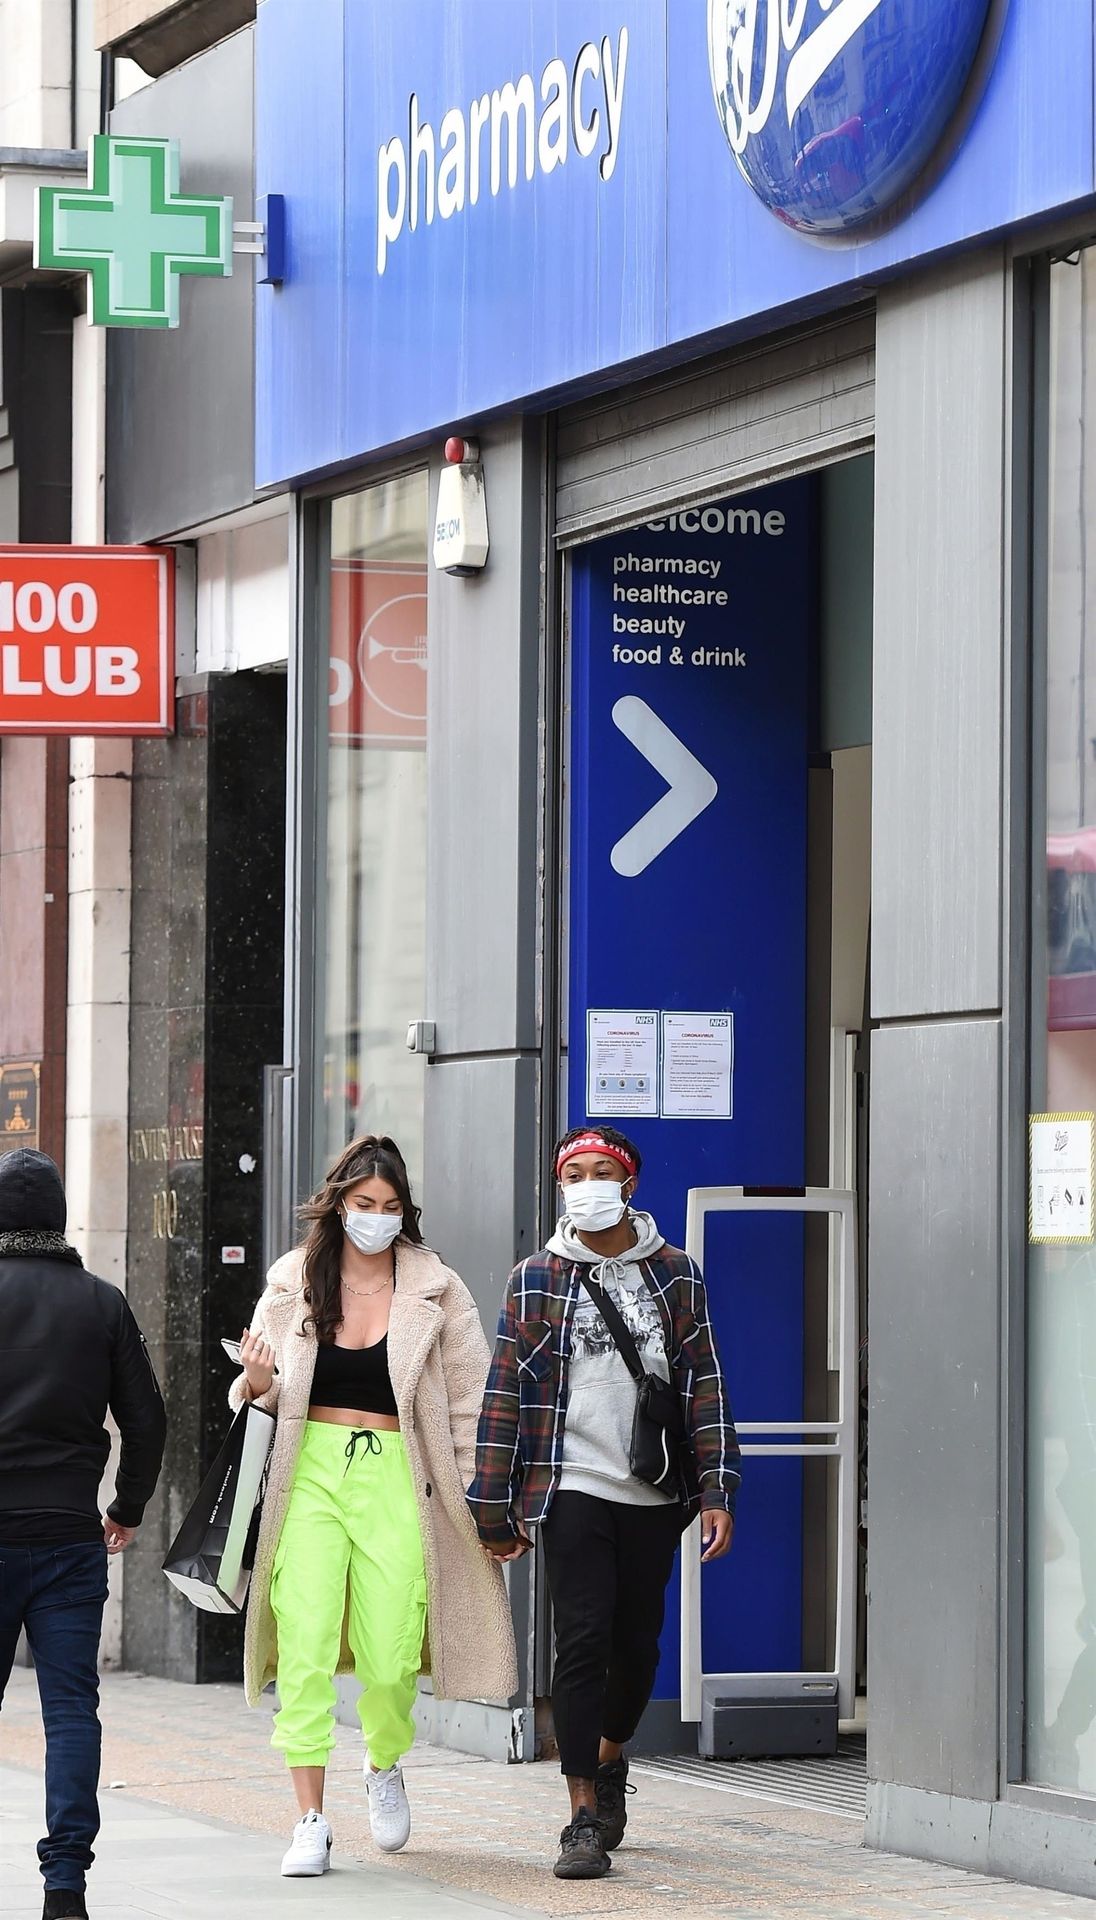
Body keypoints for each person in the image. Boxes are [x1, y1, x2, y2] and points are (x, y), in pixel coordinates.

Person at [232, 1133, 517, 1878]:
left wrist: (484, 1504)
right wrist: (257, 1381)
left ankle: (383, 1761)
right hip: (310, 1475)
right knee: (306, 1640)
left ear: (405, 1212)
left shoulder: (438, 1287)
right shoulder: (294, 1279)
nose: (377, 1218)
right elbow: (254, 1393)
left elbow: (469, 1403)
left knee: (393, 1651)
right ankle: (310, 1821)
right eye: (364, 1204)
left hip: (399, 1474)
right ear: (338, 1205)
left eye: (390, 1207)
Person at [468, 1125, 740, 1881]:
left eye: (601, 1172)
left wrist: (719, 1485)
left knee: (638, 1643)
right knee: (581, 1642)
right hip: (571, 1483)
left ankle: (613, 1756)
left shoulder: (675, 1273)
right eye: (573, 1173)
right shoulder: (535, 1277)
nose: (586, 1184)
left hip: (654, 1490)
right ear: (561, 1187)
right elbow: (504, 1396)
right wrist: (493, 1507)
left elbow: (705, 1382)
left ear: (629, 1185)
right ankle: (581, 1812)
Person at [0, 1148, 167, 1920]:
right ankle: (65, 1884)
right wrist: (125, 1509)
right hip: (71, 1535)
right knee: (71, 1710)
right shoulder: (101, 1303)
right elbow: (148, 1420)